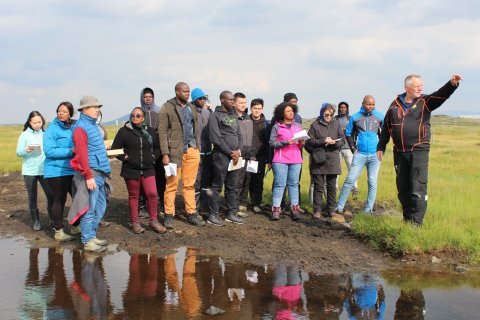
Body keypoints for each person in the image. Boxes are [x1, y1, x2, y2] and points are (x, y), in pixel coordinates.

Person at [377, 74, 462, 226]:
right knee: (403, 188)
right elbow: (386, 127)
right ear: (407, 87)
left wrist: (451, 84)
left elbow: (440, 95)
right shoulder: (394, 105)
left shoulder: (425, 102)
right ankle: (407, 219)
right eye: (417, 86)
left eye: (421, 85)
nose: (420, 88)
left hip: (418, 151)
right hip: (399, 152)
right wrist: (381, 146)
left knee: (418, 187)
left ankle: (416, 223)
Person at [111, 107, 166, 234]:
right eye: (133, 115)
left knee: (152, 194)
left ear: (143, 118)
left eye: (138, 115)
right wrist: (125, 157)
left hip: (148, 168)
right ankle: (135, 223)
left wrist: (153, 157)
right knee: (134, 196)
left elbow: (158, 149)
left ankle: (153, 221)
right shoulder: (124, 131)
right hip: (131, 169)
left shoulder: (151, 131)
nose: (135, 117)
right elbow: (115, 149)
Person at [158, 82, 205, 229]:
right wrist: (165, 154)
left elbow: (196, 129)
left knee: (189, 184)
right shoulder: (167, 107)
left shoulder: (191, 108)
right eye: (184, 91)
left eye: (188, 91)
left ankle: (191, 213)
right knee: (171, 185)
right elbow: (162, 132)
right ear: (177, 91)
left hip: (192, 150)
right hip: (174, 152)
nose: (187, 93)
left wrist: (197, 148)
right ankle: (168, 215)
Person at [69, 95, 110, 253]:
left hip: (100, 173)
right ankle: (87, 240)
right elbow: (81, 155)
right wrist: (88, 176)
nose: (97, 109)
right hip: (91, 174)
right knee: (88, 207)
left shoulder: (93, 126)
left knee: (100, 207)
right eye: (94, 107)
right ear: (84, 109)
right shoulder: (80, 128)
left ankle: (92, 236)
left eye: (98, 107)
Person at [336, 95, 384, 215]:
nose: (371, 107)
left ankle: (368, 210)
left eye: (373, 104)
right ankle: (340, 206)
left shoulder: (380, 116)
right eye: (368, 104)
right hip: (360, 154)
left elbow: (386, 133)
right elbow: (348, 133)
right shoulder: (356, 117)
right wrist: (353, 148)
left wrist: (381, 148)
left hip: (375, 155)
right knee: (350, 179)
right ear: (363, 103)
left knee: (372, 182)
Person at [206, 90, 244, 226]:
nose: (233, 102)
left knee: (232, 186)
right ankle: (213, 215)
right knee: (216, 186)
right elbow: (216, 138)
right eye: (230, 100)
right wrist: (230, 152)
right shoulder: (215, 116)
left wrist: (238, 151)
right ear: (222, 100)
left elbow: (239, 135)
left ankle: (231, 213)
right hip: (221, 156)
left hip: (235, 157)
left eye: (234, 100)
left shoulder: (233, 116)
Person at [43, 102, 76, 241]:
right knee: (59, 199)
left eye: (64, 111)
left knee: (77, 197)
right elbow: (49, 151)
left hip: (72, 169)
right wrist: (70, 151)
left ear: (70, 114)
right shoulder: (52, 128)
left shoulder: (74, 127)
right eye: (59, 111)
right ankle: (59, 231)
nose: (61, 113)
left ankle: (76, 225)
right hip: (56, 170)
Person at [305, 103, 344, 219]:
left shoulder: (336, 124)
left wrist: (335, 143)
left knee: (332, 186)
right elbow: (309, 141)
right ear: (322, 113)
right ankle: (317, 210)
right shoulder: (315, 125)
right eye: (326, 114)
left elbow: (342, 140)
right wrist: (323, 141)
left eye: (331, 114)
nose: (328, 116)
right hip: (319, 159)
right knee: (318, 186)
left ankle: (331, 210)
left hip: (333, 159)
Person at [16, 111, 53, 231]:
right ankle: (36, 222)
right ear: (30, 122)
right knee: (32, 196)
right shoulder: (24, 135)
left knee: (51, 194)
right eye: (34, 122)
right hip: (29, 170)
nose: (37, 124)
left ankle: (53, 219)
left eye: (39, 122)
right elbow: (18, 152)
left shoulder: (45, 134)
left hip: (44, 169)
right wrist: (26, 149)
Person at [269, 102, 304, 221]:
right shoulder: (276, 127)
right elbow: (272, 143)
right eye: (288, 111)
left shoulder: (298, 126)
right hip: (280, 160)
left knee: (294, 184)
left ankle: (295, 208)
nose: (291, 113)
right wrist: (285, 142)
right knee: (280, 184)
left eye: (292, 111)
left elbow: (300, 144)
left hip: (296, 159)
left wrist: (302, 143)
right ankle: (276, 209)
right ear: (282, 113)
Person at [139, 87, 166, 217]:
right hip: (143, 152)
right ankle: (143, 205)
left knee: (160, 178)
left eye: (150, 96)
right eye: (145, 97)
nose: (148, 99)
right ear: (142, 98)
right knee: (143, 178)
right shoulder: (138, 113)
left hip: (158, 151)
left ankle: (161, 203)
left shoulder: (159, 111)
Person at [191, 88, 213, 215]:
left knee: (206, 181)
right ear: (194, 100)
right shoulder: (190, 113)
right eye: (200, 98)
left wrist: (211, 110)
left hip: (208, 152)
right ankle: (194, 206)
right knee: (196, 181)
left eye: (204, 98)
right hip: (195, 152)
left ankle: (204, 206)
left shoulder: (208, 112)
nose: (203, 100)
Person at [233, 92, 254, 216]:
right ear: (234, 103)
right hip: (237, 154)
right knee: (237, 181)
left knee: (246, 180)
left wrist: (252, 156)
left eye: (245, 102)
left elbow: (251, 138)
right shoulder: (232, 118)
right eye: (241, 102)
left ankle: (241, 204)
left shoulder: (248, 119)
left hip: (248, 154)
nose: (243, 105)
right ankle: (233, 207)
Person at [248, 98, 270, 213]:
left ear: (262, 109)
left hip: (260, 156)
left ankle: (257, 202)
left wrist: (269, 159)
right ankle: (247, 201)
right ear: (251, 108)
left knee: (258, 180)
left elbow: (268, 142)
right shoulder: (245, 121)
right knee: (247, 180)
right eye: (255, 108)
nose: (257, 111)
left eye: (259, 108)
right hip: (247, 156)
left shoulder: (266, 124)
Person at [335, 101, 358, 199]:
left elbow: (355, 132)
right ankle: (335, 188)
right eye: (341, 107)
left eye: (344, 107)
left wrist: (354, 145)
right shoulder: (335, 119)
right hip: (337, 148)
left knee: (352, 169)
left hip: (349, 148)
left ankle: (354, 188)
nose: (342, 109)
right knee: (336, 169)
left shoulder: (351, 118)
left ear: (347, 108)